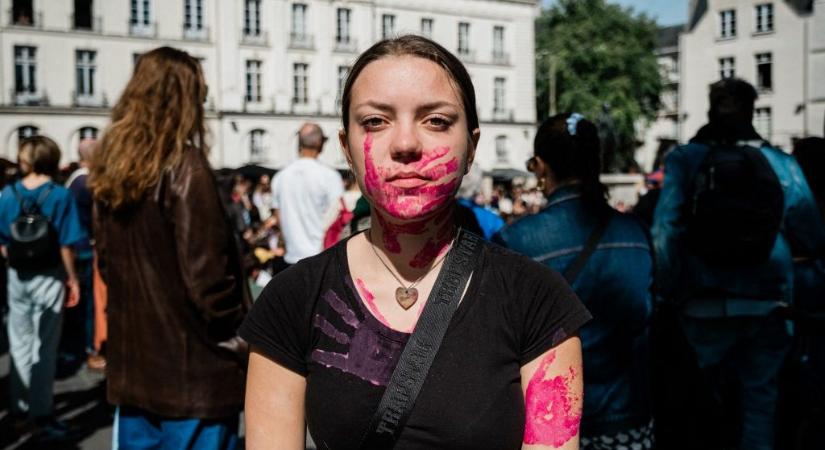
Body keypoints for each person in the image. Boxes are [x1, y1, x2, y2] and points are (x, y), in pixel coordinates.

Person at [240, 35, 591, 450]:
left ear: (471, 147)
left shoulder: (537, 301)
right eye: (375, 121)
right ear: (346, 149)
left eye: (436, 121)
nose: (405, 144)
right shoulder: (292, 300)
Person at [89, 46, 251, 450]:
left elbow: (107, 265)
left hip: (136, 370)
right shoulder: (185, 167)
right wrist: (242, 337)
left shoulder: (113, 169)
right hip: (194, 371)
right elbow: (209, 281)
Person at [652, 78, 825, 450]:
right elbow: (811, 233)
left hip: (700, 303)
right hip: (769, 304)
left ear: (711, 108)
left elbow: (666, 232)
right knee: (759, 406)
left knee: (697, 405)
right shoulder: (781, 164)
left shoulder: (685, 160)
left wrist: (670, 291)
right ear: (751, 110)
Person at [494, 113, 654, 449]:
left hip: (552, 426)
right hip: (626, 414)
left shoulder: (516, 242)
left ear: (539, 166)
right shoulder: (636, 232)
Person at [0, 136, 83, 441]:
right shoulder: (59, 195)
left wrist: (14, 256)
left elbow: (2, 241)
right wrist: (72, 278)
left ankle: (19, 410)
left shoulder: (7, 194)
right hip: (49, 275)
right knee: (45, 347)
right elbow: (67, 243)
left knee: (19, 343)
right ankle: (42, 412)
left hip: (18, 276)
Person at [271, 122, 343, 265]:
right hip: (321, 258)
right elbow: (338, 217)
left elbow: (278, 216)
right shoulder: (330, 176)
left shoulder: (280, 177)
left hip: (291, 259)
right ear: (319, 143)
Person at [63, 138, 104, 370]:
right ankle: (90, 349)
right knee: (88, 304)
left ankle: (76, 348)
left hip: (75, 247)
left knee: (79, 303)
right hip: (85, 249)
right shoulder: (87, 182)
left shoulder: (75, 180)